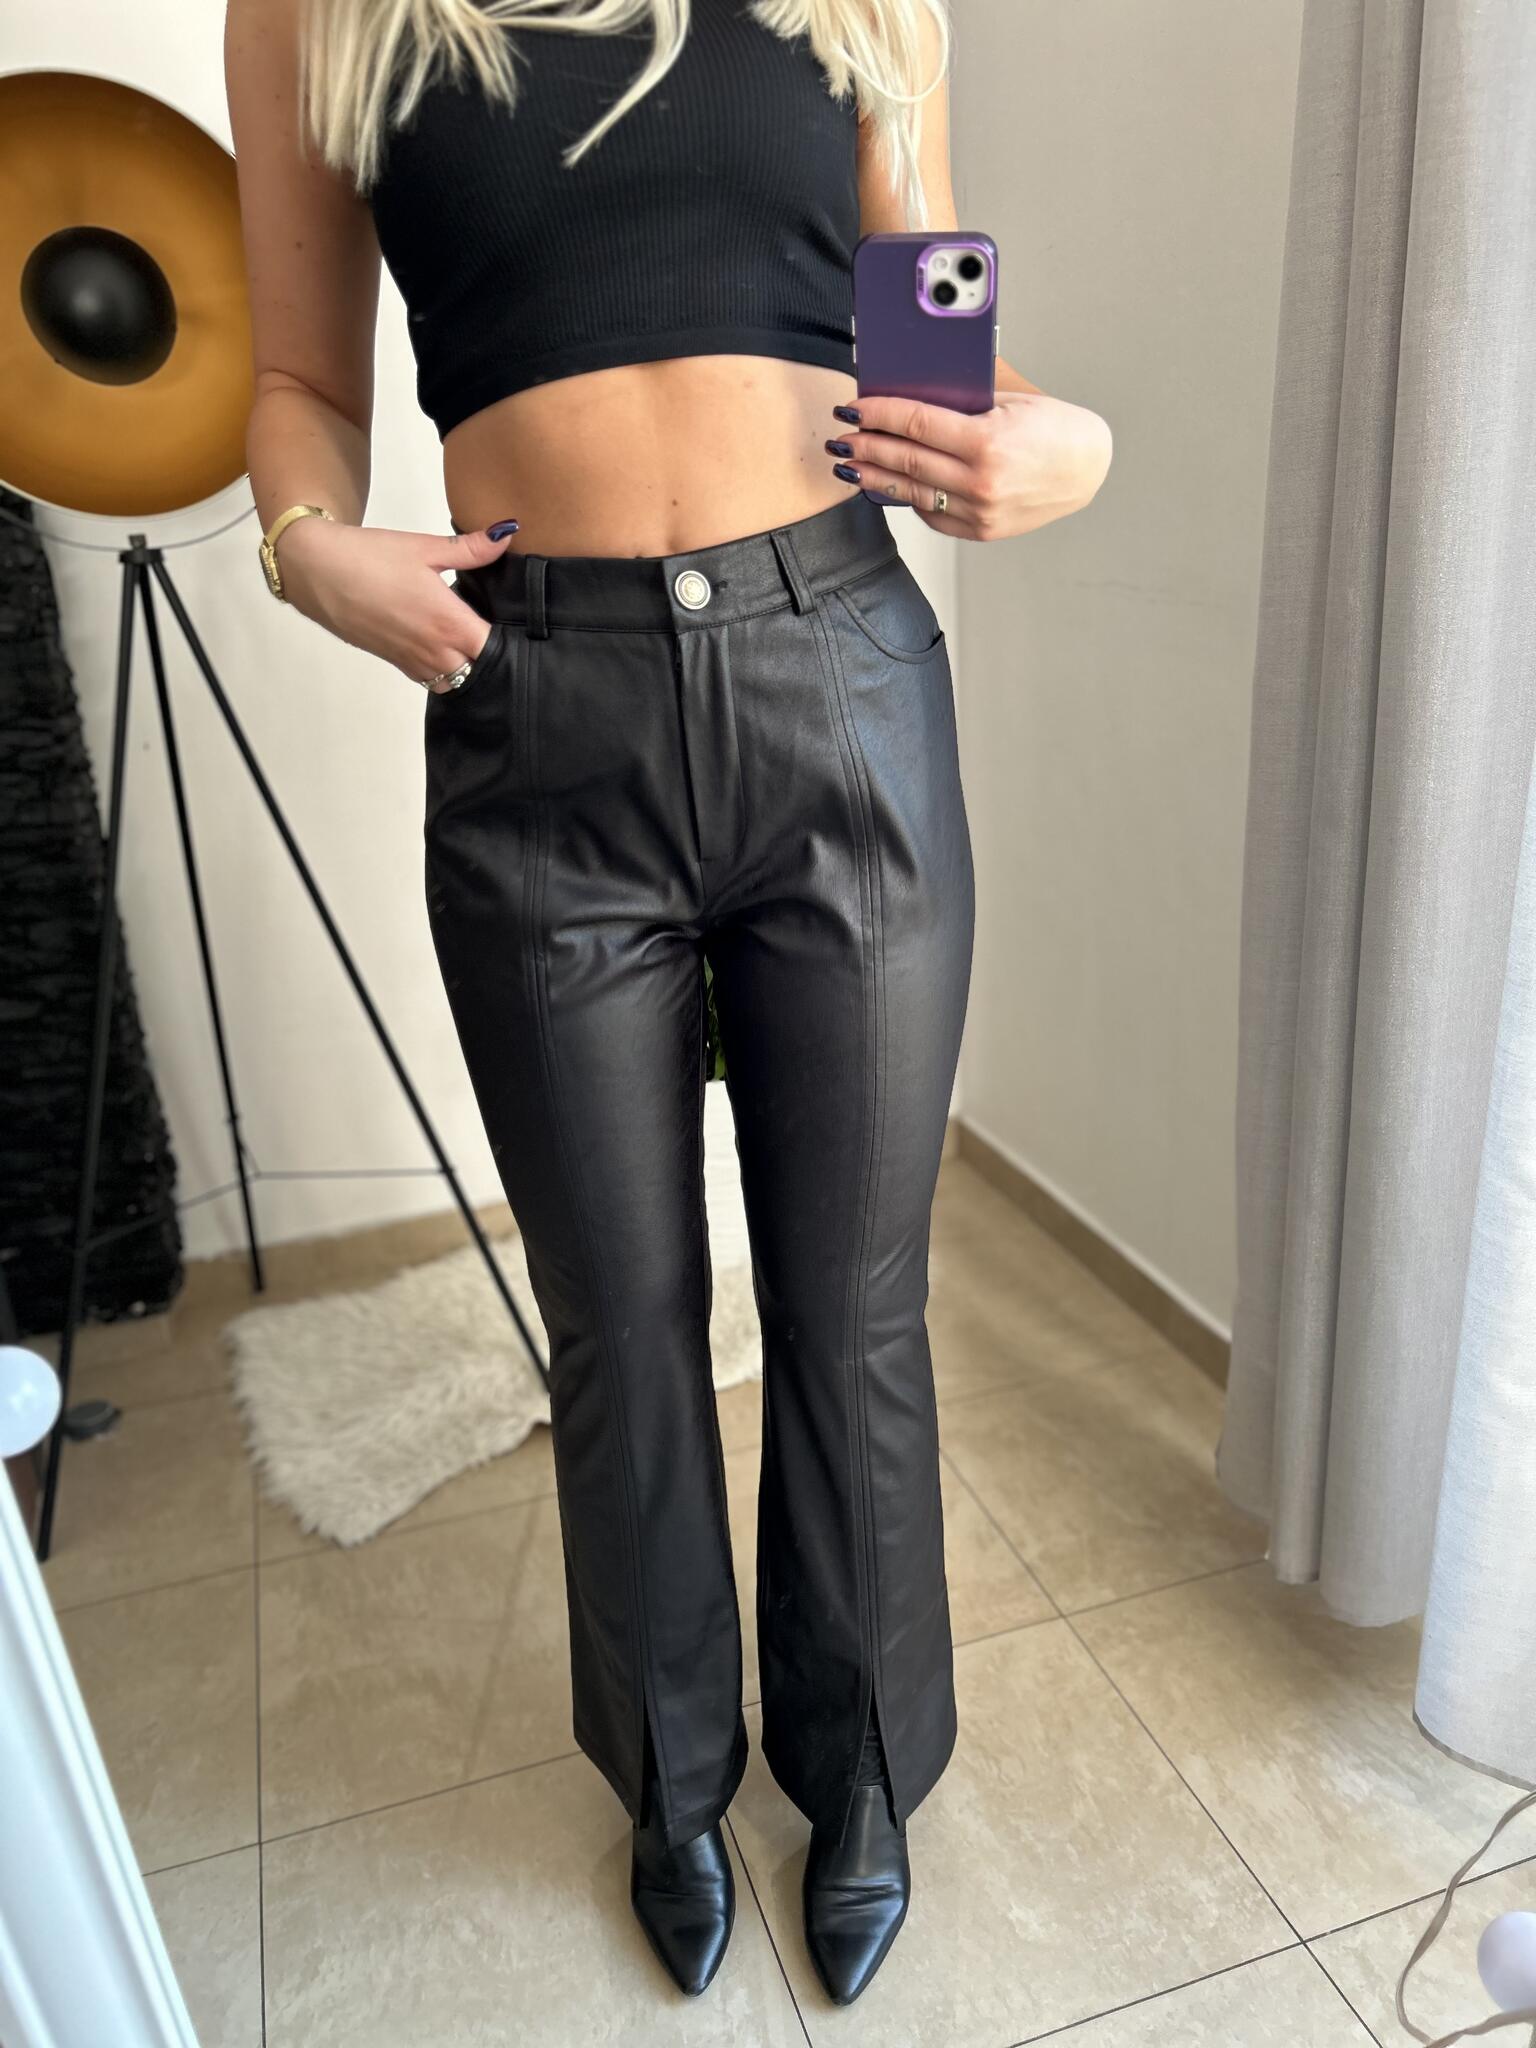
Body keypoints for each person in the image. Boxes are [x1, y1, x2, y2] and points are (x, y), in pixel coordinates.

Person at [225, 0, 1111, 2007]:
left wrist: (1057, 436)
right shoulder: (311, 9)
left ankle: (861, 1770)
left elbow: (937, 348)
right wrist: (305, 550)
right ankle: (670, 1780)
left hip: (841, 681)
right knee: (618, 1322)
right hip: (538, 715)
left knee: (854, 1306)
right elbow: (295, 377)